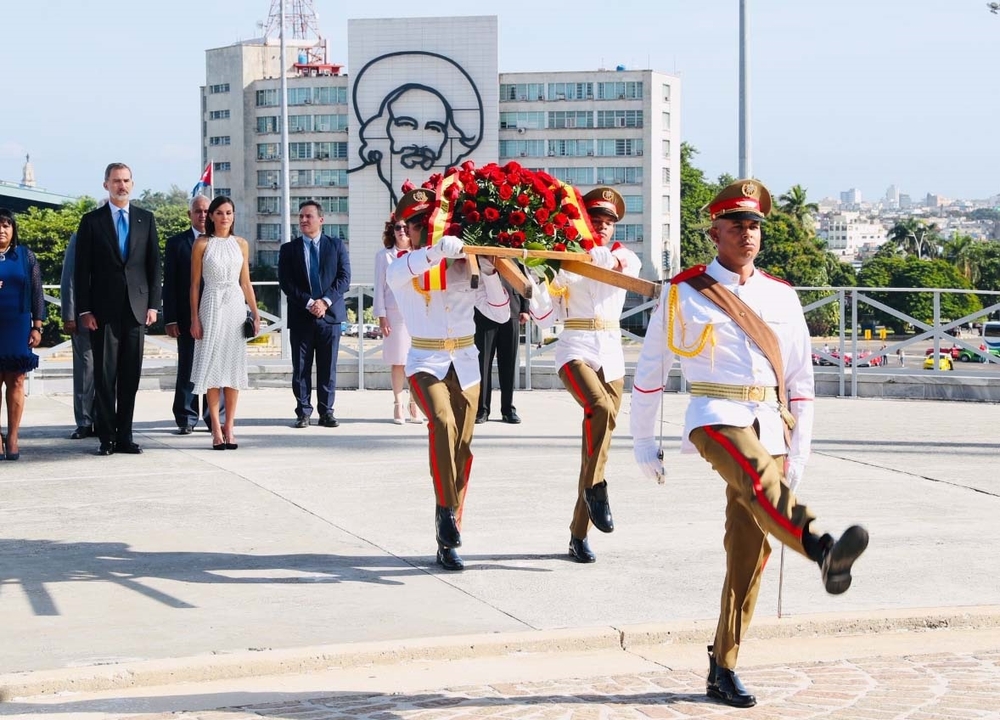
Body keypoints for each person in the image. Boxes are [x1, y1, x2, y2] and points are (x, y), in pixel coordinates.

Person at [630, 178, 869, 708]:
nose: (747, 233)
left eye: (754, 224)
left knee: (750, 551)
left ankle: (723, 665)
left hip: (770, 420)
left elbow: (801, 384)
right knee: (756, 473)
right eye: (736, 224)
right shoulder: (684, 290)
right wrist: (642, 438)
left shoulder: (782, 296)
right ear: (714, 231)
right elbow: (650, 372)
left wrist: (800, 450)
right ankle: (821, 547)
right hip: (714, 414)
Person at [385, 187, 510, 571]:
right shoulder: (401, 266)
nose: (426, 230)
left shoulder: (461, 266)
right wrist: (439, 251)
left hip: (467, 363)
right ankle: (445, 512)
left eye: (430, 223)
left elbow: (501, 314)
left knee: (463, 448)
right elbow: (411, 267)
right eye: (419, 225)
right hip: (426, 360)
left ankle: (451, 532)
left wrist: (488, 272)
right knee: (441, 422)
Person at [526, 187, 641, 564]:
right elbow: (545, 316)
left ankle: (579, 533)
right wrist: (539, 281)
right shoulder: (564, 262)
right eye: (597, 222)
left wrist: (590, 259)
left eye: (609, 223)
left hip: (611, 353)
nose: (604, 228)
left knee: (596, 454)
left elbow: (623, 266)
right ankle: (597, 491)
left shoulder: (624, 255)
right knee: (600, 407)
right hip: (575, 347)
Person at [75, 163, 161, 456]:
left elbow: (154, 266)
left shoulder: (145, 220)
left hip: (136, 310)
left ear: (132, 184)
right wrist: (84, 310)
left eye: (125, 181)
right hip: (103, 312)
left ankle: (125, 436)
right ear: (106, 185)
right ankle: (106, 438)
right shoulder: (91, 221)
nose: (121, 186)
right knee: (104, 376)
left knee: (129, 377)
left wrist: (153, 305)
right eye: (116, 181)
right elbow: (81, 269)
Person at [189, 196, 259, 450]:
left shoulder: (241, 244)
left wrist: (255, 312)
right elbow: (195, 284)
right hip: (210, 304)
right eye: (219, 212)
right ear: (211, 216)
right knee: (212, 368)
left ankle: (230, 426)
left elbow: (246, 282)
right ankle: (215, 430)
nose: (225, 217)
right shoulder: (202, 244)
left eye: (229, 212)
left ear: (234, 215)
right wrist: (195, 318)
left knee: (232, 368)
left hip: (234, 306)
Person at [278, 200, 351, 428]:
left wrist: (325, 302)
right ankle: (303, 412)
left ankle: (326, 412)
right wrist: (310, 302)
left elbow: (344, 278)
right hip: (302, 316)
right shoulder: (289, 249)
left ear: (321, 219)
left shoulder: (336, 245)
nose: (303, 220)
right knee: (301, 367)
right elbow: (286, 283)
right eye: (300, 216)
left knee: (327, 367)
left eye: (308, 216)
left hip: (330, 317)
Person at [163, 194, 227, 434]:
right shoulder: (176, 243)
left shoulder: (222, 241)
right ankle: (186, 418)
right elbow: (169, 284)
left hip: (218, 314)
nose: (202, 215)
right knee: (188, 367)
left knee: (216, 367)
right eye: (197, 211)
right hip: (186, 317)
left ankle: (215, 418)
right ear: (190, 214)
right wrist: (169, 318)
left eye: (206, 211)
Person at [0, 209, 43, 460]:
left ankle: (13, 435)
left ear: (13, 229)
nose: (2, 230)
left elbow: (37, 292)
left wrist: (37, 326)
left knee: (16, 380)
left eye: (6, 225)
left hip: (17, 325)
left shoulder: (25, 256)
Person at [373, 216, 421, 424]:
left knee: (417, 361)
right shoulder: (384, 256)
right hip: (395, 313)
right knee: (398, 361)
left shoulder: (420, 254)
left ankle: (414, 402)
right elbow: (379, 288)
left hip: (418, 313)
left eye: (405, 227)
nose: (402, 231)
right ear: (392, 231)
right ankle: (397, 403)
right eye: (397, 227)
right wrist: (382, 316)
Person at [474, 275, 529, 424]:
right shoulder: (480, 253)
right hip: (484, 311)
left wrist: (525, 308)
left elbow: (523, 276)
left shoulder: (514, 250)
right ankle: (482, 409)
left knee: (508, 364)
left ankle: (508, 410)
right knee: (483, 364)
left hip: (512, 309)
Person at [60, 231, 95, 440]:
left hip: (113, 318)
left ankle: (103, 419)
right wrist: (69, 315)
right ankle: (84, 421)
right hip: (83, 316)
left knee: (109, 372)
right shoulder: (80, 237)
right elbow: (69, 277)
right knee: (85, 369)